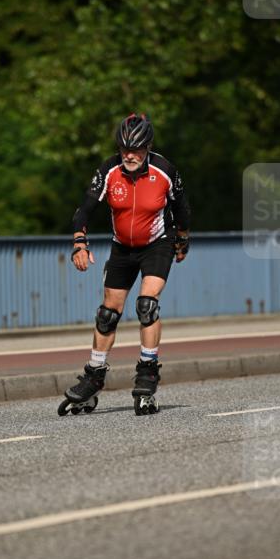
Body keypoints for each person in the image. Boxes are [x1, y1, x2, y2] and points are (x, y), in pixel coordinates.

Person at [58, 112, 191, 416]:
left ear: (148, 148)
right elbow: (84, 209)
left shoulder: (165, 171)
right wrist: (79, 243)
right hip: (122, 247)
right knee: (107, 314)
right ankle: (94, 377)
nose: (129, 155)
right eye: (124, 149)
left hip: (158, 244)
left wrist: (182, 238)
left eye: (136, 150)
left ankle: (147, 373)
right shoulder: (109, 170)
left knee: (147, 305)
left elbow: (182, 207)